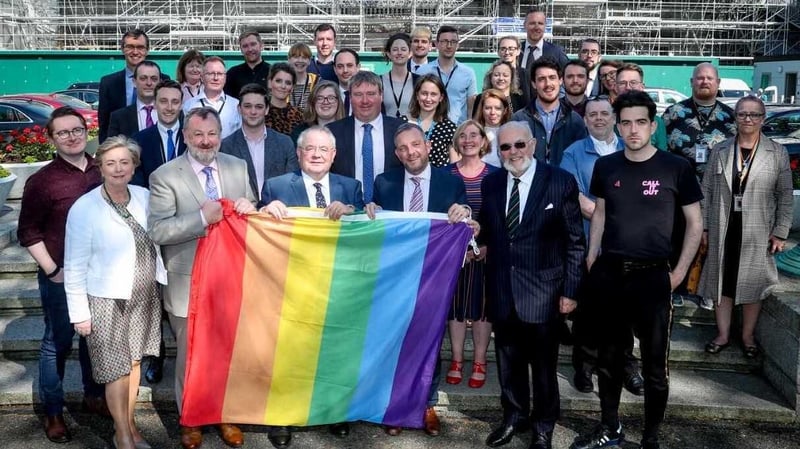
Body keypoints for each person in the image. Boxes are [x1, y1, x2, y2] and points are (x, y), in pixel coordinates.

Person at [572, 91, 703, 449]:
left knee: (654, 367)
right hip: (610, 275)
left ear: (653, 125)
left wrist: (677, 274)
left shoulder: (675, 168)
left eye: (640, 122)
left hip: (653, 278)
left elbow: (694, 223)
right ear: (617, 124)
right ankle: (610, 428)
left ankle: (650, 438)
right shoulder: (607, 166)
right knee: (610, 361)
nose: (633, 129)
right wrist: (592, 254)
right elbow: (599, 211)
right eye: (626, 122)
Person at [148, 107, 256, 449]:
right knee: (190, 356)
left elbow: (251, 206)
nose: (205, 141)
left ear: (220, 135)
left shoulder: (237, 166)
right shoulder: (164, 175)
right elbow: (158, 230)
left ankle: (226, 415)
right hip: (186, 281)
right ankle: (191, 420)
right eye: (198, 135)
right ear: (185, 136)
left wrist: (249, 207)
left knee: (228, 351)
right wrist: (200, 217)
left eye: (211, 134)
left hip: (231, 278)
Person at [479, 121, 584, 449]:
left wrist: (570, 291)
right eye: (505, 148)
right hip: (502, 290)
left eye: (519, 145)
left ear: (534, 144)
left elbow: (575, 242)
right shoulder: (492, 183)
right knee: (508, 363)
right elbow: (487, 230)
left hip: (544, 293)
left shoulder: (560, 181)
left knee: (543, 368)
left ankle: (544, 427)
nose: (513, 153)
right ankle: (513, 416)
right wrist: (471, 232)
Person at [365, 122, 471, 438]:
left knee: (429, 340)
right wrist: (370, 210)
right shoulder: (384, 182)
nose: (410, 152)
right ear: (397, 154)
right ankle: (395, 406)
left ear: (426, 145)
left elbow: (466, 216)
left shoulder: (449, 182)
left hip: (433, 278)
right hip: (395, 278)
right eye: (402, 148)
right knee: (395, 339)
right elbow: (377, 224)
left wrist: (463, 210)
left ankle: (426, 404)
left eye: (415, 145)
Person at [258, 126, 362, 447]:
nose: (316, 155)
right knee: (288, 352)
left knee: (335, 350)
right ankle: (282, 418)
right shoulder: (276, 186)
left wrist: (351, 212)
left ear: (333, 155)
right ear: (299, 154)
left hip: (337, 283)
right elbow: (259, 230)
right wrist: (265, 211)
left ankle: (334, 413)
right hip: (291, 283)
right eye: (309, 149)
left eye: (323, 150)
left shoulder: (351, 187)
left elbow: (366, 227)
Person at [65, 136, 164, 449]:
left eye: (125, 162)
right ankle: (122, 433)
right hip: (106, 301)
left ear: (135, 165)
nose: (118, 168)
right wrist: (79, 314)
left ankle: (131, 425)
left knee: (134, 363)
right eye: (111, 163)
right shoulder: (84, 208)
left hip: (144, 298)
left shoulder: (145, 197)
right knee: (114, 369)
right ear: (101, 167)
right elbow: (74, 265)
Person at [18, 106, 107, 443]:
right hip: (61, 275)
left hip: (99, 275)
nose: (72, 137)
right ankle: (53, 412)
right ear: (52, 137)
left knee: (93, 339)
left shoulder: (102, 170)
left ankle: (93, 395)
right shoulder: (42, 181)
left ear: (86, 131)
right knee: (57, 343)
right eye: (63, 132)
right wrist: (52, 270)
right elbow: (28, 231)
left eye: (77, 130)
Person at [559, 97, 643, 396]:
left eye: (604, 113)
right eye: (592, 114)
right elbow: (573, 194)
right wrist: (608, 216)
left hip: (628, 245)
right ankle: (584, 365)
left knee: (625, 310)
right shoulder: (573, 153)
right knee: (588, 310)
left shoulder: (632, 149)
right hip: (584, 241)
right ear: (585, 120)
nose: (598, 119)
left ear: (615, 118)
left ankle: (627, 366)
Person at [699, 96, 792, 359]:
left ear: (763, 119)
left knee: (753, 283)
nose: (747, 119)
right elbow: (706, 190)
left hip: (758, 230)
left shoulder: (777, 152)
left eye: (753, 115)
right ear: (735, 118)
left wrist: (781, 231)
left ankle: (748, 337)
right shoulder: (721, 150)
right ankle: (723, 334)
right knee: (722, 282)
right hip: (723, 226)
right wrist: (704, 227)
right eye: (742, 114)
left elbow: (785, 195)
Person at [444, 120, 499, 391]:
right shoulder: (445, 175)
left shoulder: (496, 175)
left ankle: (479, 361)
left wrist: (486, 245)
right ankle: (456, 359)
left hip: (486, 254)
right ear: (456, 141)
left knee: (483, 310)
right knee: (455, 307)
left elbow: (500, 218)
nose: (468, 140)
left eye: (474, 135)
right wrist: (456, 250)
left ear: (483, 140)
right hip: (453, 256)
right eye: (462, 135)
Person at [327, 71, 404, 203]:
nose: (365, 101)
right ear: (350, 98)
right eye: (358, 95)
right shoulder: (332, 132)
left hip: (391, 211)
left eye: (371, 94)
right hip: (346, 211)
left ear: (381, 96)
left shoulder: (401, 129)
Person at [221, 83, 299, 207]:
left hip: (278, 214)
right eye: (247, 106)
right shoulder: (226, 146)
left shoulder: (284, 143)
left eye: (259, 107)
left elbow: (292, 183)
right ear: (239, 109)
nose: (253, 112)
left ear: (267, 109)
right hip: (241, 215)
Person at [663, 62, 737, 179]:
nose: (705, 81)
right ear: (692, 82)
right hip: (679, 185)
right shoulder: (672, 113)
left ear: (718, 83)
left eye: (709, 78)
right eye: (700, 78)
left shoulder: (732, 116)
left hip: (719, 187)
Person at [511, 57, 587, 166]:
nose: (548, 84)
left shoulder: (574, 120)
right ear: (533, 83)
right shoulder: (519, 119)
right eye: (542, 79)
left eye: (552, 78)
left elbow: (581, 160)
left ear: (560, 80)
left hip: (564, 181)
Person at [99, 29, 168, 143]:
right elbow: (104, 125)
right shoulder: (108, 83)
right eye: (130, 47)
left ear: (147, 50)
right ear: (122, 49)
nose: (135, 52)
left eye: (140, 47)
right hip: (122, 149)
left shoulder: (164, 80)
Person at [132, 79, 187, 189]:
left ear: (181, 105)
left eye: (175, 102)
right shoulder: (138, 140)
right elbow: (137, 183)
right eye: (163, 101)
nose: (169, 107)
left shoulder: (193, 138)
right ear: (155, 104)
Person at [417, 25, 477, 125]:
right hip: (428, 129)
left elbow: (470, 109)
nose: (449, 46)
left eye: (453, 42)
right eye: (444, 41)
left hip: (457, 131)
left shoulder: (468, 73)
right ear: (436, 44)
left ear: (458, 45)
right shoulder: (422, 71)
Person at [518, 8, 569, 101]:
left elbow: (568, 78)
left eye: (540, 23)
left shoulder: (556, 52)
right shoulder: (515, 51)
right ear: (524, 25)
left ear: (545, 26)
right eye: (532, 23)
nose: (536, 27)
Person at [614, 63, 668, 151]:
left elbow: (662, 157)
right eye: (622, 83)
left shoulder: (656, 121)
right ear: (616, 87)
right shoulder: (607, 120)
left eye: (633, 83)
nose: (627, 87)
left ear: (642, 87)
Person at [183, 56, 241, 139]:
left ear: (225, 78)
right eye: (211, 74)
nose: (216, 78)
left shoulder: (236, 105)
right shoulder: (189, 105)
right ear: (202, 77)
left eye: (220, 74)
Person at [407, 74, 458, 167]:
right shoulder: (404, 123)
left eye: (433, 94)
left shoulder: (450, 128)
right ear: (417, 95)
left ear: (441, 98)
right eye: (424, 93)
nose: (428, 98)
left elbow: (455, 165)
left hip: (439, 179)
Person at [107, 61, 161, 140]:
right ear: (134, 82)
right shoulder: (119, 117)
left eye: (154, 79)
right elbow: (112, 149)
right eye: (143, 78)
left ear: (160, 82)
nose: (149, 83)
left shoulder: (174, 114)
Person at [291, 80, 345, 144]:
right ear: (313, 102)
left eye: (331, 98)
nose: (325, 102)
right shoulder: (299, 132)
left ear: (338, 102)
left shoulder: (349, 132)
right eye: (320, 98)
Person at [224, 30, 270, 99]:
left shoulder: (272, 72)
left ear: (261, 46)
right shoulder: (232, 74)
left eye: (253, 44)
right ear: (241, 50)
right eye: (245, 46)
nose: (250, 49)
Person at [381, 33, 417, 120]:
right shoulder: (379, 81)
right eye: (395, 49)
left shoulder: (418, 81)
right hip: (386, 131)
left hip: (411, 131)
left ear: (410, 53)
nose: (399, 53)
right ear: (389, 54)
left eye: (403, 49)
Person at [474, 89, 513, 168]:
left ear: (505, 110)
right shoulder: (473, 134)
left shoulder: (512, 133)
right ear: (482, 110)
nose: (492, 112)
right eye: (488, 108)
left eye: (497, 108)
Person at [264, 62, 305, 136]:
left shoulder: (300, 115)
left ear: (292, 87)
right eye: (278, 81)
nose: (283, 86)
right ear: (270, 83)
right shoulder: (260, 112)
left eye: (288, 83)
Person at [287, 43, 318, 111]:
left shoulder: (318, 82)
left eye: (304, 57)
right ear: (289, 60)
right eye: (296, 57)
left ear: (309, 61)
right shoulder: (283, 84)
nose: (300, 61)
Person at [333, 49, 361, 115]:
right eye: (340, 66)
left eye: (349, 65)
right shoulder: (328, 97)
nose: (345, 70)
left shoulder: (368, 97)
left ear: (358, 67)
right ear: (335, 69)